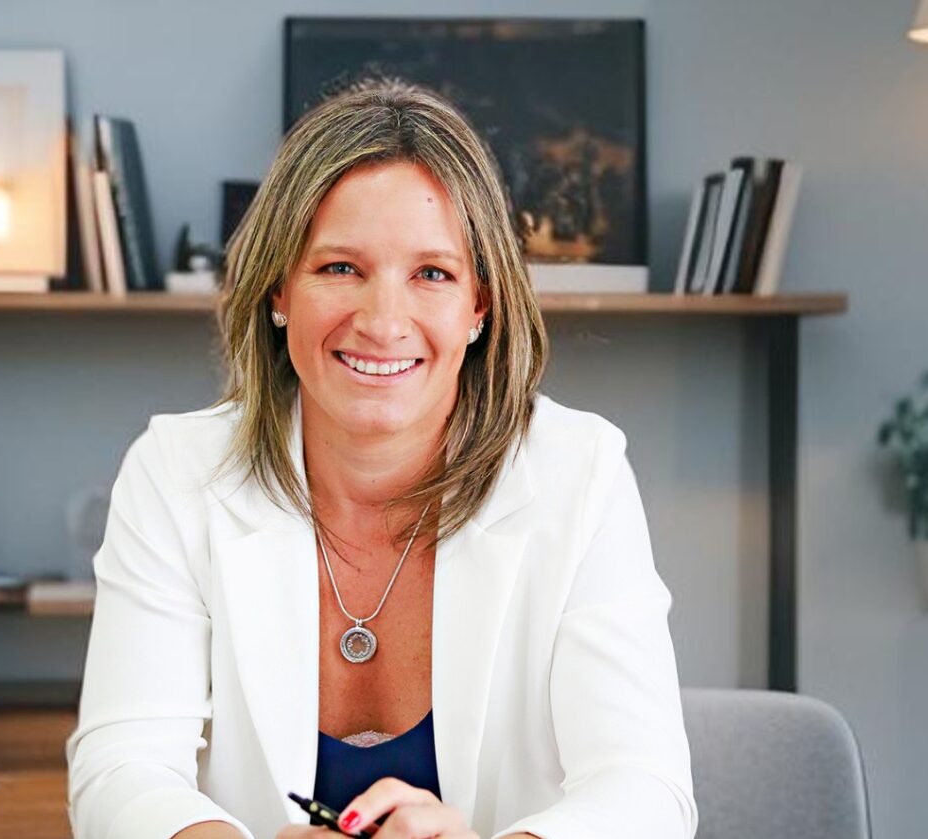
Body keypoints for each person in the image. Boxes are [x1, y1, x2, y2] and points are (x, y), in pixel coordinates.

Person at [66, 79, 697, 839]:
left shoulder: (579, 471)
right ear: (277, 289)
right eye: (340, 268)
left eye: (432, 274)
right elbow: (121, 769)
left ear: (479, 305)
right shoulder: (175, 471)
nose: (383, 322)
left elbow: (644, 789)